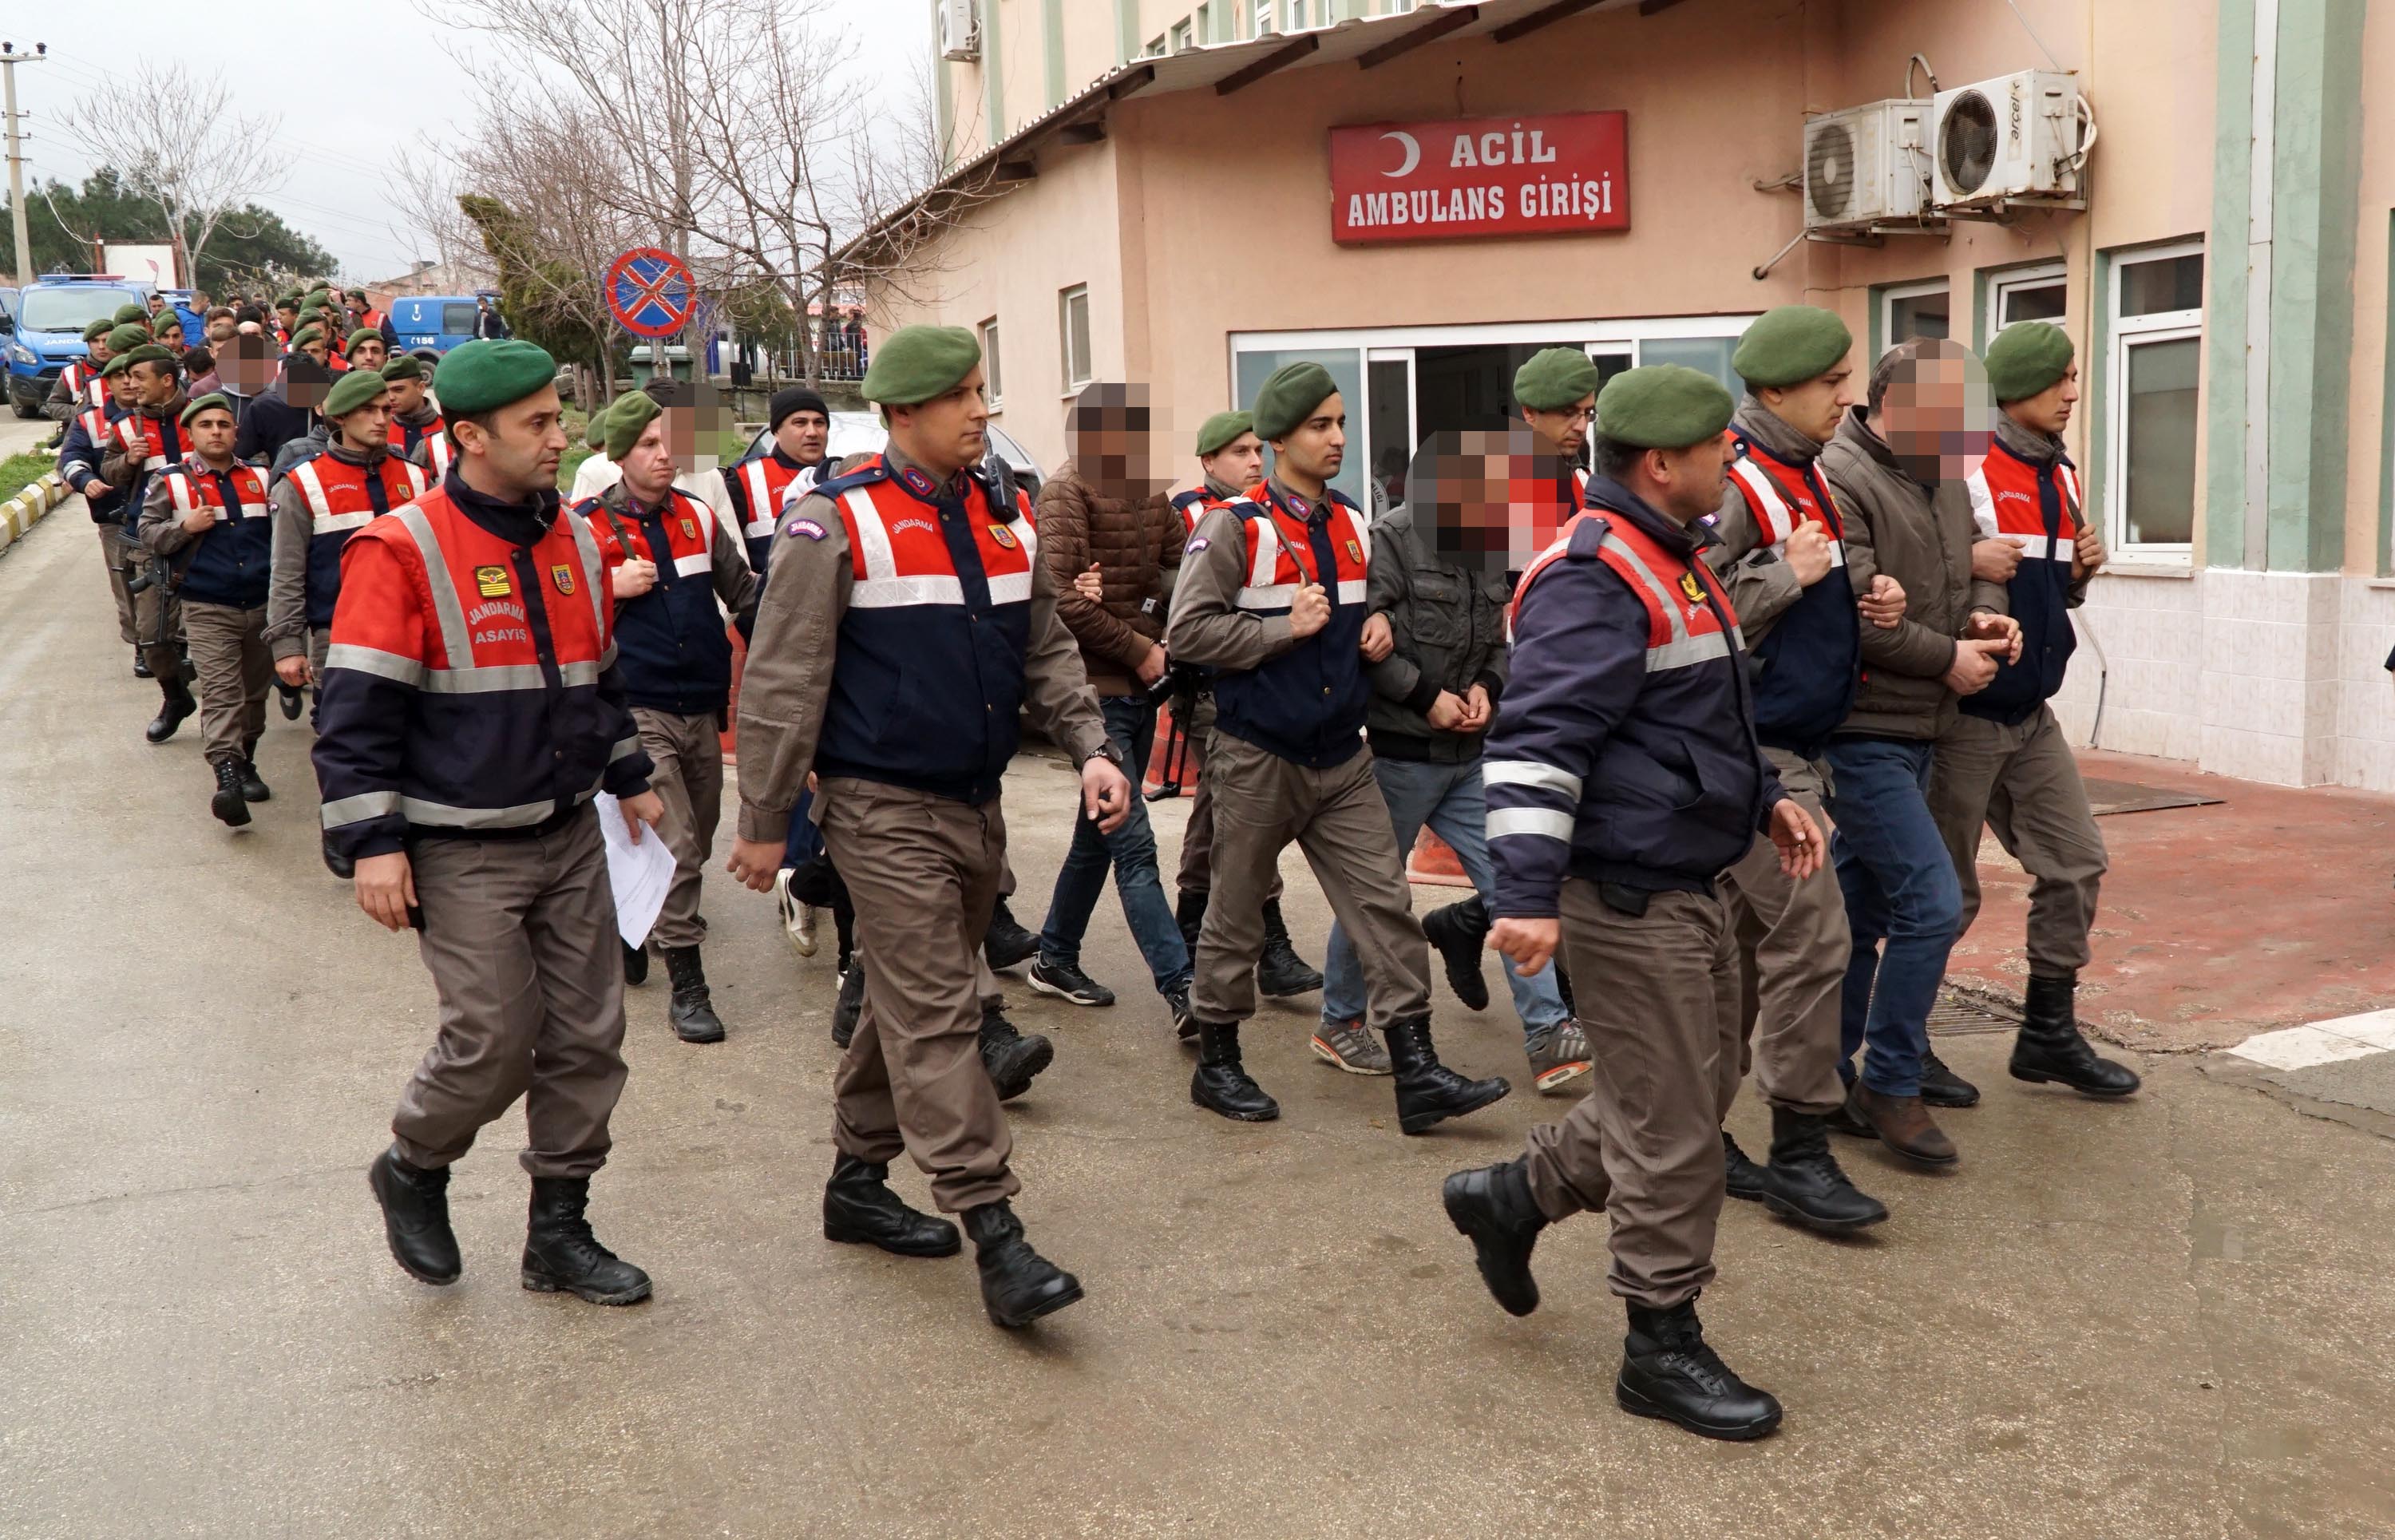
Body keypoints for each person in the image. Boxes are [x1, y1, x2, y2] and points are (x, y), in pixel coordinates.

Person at [1443, 365, 1827, 1443]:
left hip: (1688, 873)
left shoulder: (1675, 558)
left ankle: (1512, 1198)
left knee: (1693, 1097)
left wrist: (1763, 800)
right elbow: (1535, 741)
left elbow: (1696, 719)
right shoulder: (1596, 574)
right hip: (1625, 892)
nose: (1731, 462)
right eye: (1716, 448)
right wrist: (1520, 893)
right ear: (1664, 463)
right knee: (1676, 1133)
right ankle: (1658, 1345)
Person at [723, 324, 1129, 1329]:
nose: (981, 412)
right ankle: (997, 1232)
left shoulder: (1006, 517)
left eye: (983, 393)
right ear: (903, 414)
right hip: (877, 805)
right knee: (946, 1008)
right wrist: (768, 818)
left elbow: (1046, 648)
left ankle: (856, 1184)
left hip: (975, 804)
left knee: (895, 1008)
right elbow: (783, 677)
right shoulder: (833, 521)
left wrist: (1091, 747)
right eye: (960, 397)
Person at [323, 337, 665, 1308]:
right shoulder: (402, 549)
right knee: (494, 1041)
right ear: (470, 436)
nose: (564, 436)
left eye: (561, 416)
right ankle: (415, 1164)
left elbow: (600, 680)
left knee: (589, 1039)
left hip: (568, 834)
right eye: (541, 424)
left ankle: (558, 1234)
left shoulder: (574, 539)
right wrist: (374, 844)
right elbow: (356, 715)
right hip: (460, 845)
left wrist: (630, 772)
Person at [1166, 362, 1510, 1131]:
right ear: (1279, 437)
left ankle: (1416, 1071)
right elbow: (1186, 632)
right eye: (1321, 426)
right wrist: (1287, 626)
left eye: (1342, 423)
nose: (1339, 438)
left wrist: (1371, 627)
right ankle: (1219, 1064)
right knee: (1235, 912)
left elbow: (1365, 616)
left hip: (1343, 756)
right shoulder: (1235, 524)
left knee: (1386, 906)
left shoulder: (1354, 521)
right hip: (1258, 753)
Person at [1700, 305, 1897, 1233]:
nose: (1844, 397)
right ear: (1776, 391)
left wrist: (1867, 596)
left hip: (1800, 743)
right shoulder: (1735, 480)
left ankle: (1690, 1133)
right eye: (1829, 383)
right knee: (1817, 937)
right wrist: (1793, 575)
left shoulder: (1804, 472)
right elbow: (1691, 609)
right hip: (1758, 753)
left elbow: (1817, 577)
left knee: (1739, 961)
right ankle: (1800, 1151)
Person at [1320, 418, 1590, 1097]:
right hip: (1402, 756)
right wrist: (1428, 698)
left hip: (1473, 756)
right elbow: (1367, 641)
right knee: (1377, 899)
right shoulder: (1391, 538)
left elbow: (1500, 640)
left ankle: (1547, 1032)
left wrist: (1485, 690)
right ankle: (1339, 1020)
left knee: (1513, 882)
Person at [1819, 337, 2022, 1166]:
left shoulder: (1939, 469)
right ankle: (1889, 1082)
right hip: (1863, 727)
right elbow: (1861, 614)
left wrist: (1982, 615)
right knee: (1931, 904)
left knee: (1858, 912)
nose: (1967, 433)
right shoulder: (1843, 478)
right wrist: (1949, 656)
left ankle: (1820, 1076)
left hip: (1925, 725)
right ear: (1894, 405)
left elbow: (1975, 561)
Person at [1930, 322, 2140, 1099]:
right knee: (1941, 897)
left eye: (2075, 378)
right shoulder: (1964, 469)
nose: (2074, 393)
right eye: (2060, 379)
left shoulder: (2061, 473)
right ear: (2015, 386)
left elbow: (2048, 591)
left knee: (2077, 861)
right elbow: (1925, 583)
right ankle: (1886, 1046)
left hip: (2030, 716)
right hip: (1961, 718)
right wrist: (1965, 563)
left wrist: (2082, 575)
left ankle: (2047, 1033)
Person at [576, 389, 759, 1043]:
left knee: (698, 837)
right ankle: (690, 986)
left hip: (703, 703)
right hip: (637, 707)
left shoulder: (698, 515)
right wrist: (608, 587)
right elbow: (558, 626)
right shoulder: (584, 526)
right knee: (677, 843)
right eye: (649, 444)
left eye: (669, 442)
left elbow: (745, 597)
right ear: (620, 454)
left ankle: (633, 917)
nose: (665, 454)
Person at [1022, 383, 1194, 1029]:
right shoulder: (1067, 491)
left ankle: (1054, 956)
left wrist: (1176, 630)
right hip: (1096, 694)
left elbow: (1182, 570)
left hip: (1145, 686)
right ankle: (1184, 989)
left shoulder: (1149, 489)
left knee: (1096, 836)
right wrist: (1140, 650)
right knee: (1133, 844)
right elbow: (1059, 598)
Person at [1165, 411, 1330, 1008]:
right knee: (1232, 824)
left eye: (1256, 450)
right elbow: (1173, 591)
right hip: (1212, 690)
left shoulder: (1274, 517)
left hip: (1253, 687)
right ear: (1208, 461)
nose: (1253, 461)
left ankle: (1226, 940)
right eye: (1238, 452)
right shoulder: (1196, 516)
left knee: (1222, 823)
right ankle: (1235, 947)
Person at [264, 366, 432, 876]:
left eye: (386, 410)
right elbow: (287, 571)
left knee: (417, 728)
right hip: (337, 634)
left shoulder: (416, 475)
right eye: (369, 411)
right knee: (343, 733)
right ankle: (341, 824)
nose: (383, 419)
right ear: (339, 416)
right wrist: (286, 645)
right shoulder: (303, 483)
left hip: (413, 627)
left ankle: (410, 828)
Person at [722, 386, 835, 954]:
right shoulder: (742, 481)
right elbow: (735, 565)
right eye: (799, 422)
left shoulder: (836, 481)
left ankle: (809, 871)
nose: (812, 432)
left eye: (819, 421)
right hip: (770, 635)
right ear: (775, 429)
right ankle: (793, 870)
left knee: (821, 760)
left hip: (822, 636)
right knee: (786, 752)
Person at [135, 394, 275, 825]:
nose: (216, 431)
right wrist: (184, 527)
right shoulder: (171, 480)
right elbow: (146, 533)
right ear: (191, 433)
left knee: (254, 695)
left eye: (224, 424)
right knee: (221, 692)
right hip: (207, 605)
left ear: (236, 432)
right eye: (206, 425)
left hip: (264, 604)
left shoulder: (263, 476)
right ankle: (227, 778)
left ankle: (246, 759)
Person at [97, 343, 196, 743]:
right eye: (127, 377)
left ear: (167, 380)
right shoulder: (125, 427)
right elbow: (108, 473)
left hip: (209, 540)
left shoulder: (205, 416)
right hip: (152, 543)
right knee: (153, 637)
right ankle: (175, 697)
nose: (129, 384)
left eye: (139, 377)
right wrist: (128, 461)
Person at [56, 380, 139, 671]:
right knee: (125, 579)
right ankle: (142, 643)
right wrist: (85, 480)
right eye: (120, 377)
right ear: (109, 383)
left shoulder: (170, 415)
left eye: (136, 375)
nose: (129, 383)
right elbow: (70, 458)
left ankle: (176, 642)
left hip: (170, 516)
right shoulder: (90, 420)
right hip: (115, 516)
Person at [1514, 344, 1596, 515]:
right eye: (1568, 413)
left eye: (1588, 413)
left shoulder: (1582, 477)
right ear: (1529, 411)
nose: (1582, 427)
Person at [382, 354, 449, 473]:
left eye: (398, 390)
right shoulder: (381, 429)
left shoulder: (446, 428)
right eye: (386, 391)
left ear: (421, 388)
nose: (391, 397)